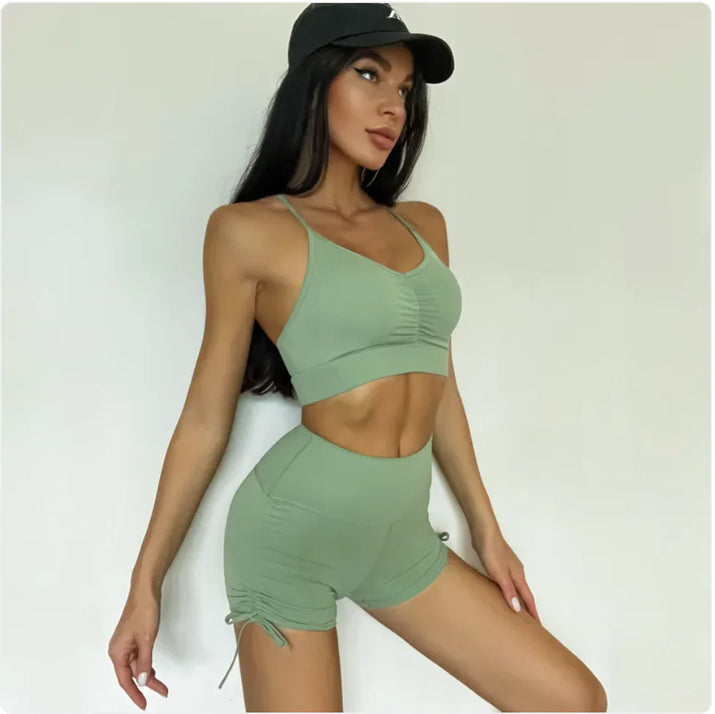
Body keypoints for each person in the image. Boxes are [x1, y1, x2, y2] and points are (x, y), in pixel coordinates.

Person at [108, 3, 608, 712]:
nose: (393, 105)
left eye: (404, 89)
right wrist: (145, 584)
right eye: (369, 75)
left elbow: (440, 387)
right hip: (289, 538)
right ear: (313, 85)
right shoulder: (247, 232)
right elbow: (204, 419)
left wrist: (487, 533)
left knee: (572, 700)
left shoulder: (424, 225)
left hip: (400, 539)